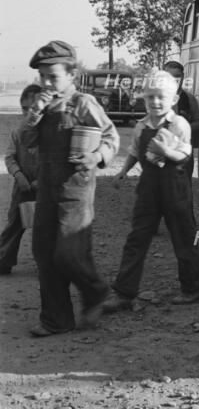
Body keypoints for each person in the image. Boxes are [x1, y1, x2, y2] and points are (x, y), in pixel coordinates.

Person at [23, 41, 120, 337]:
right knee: (43, 252)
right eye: (43, 77)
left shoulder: (83, 103)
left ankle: (97, 291)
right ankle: (56, 320)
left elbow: (111, 136)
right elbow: (27, 144)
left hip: (76, 187)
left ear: (72, 75)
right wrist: (34, 115)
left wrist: (96, 156)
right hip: (47, 187)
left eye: (53, 76)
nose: (47, 82)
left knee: (68, 252)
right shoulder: (41, 105)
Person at [103, 71, 199, 312]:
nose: (155, 102)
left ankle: (194, 288)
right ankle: (124, 292)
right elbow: (134, 150)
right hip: (148, 190)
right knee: (137, 238)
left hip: (175, 188)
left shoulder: (180, 124)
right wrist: (123, 172)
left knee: (183, 237)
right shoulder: (141, 125)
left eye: (161, 97)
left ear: (173, 99)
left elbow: (185, 154)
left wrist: (166, 152)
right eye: (150, 97)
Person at [0, 84, 41, 275]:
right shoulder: (18, 132)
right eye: (24, 108)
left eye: (33, 108)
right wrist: (19, 175)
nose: (28, 113)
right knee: (14, 223)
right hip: (22, 186)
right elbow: (9, 157)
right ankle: (3, 259)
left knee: (48, 226)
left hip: (46, 187)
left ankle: (48, 263)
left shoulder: (49, 133)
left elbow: (56, 161)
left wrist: (41, 181)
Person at [163, 61, 199, 181]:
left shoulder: (189, 98)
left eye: (177, 76)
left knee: (183, 187)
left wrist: (183, 128)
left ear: (183, 77)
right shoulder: (156, 98)